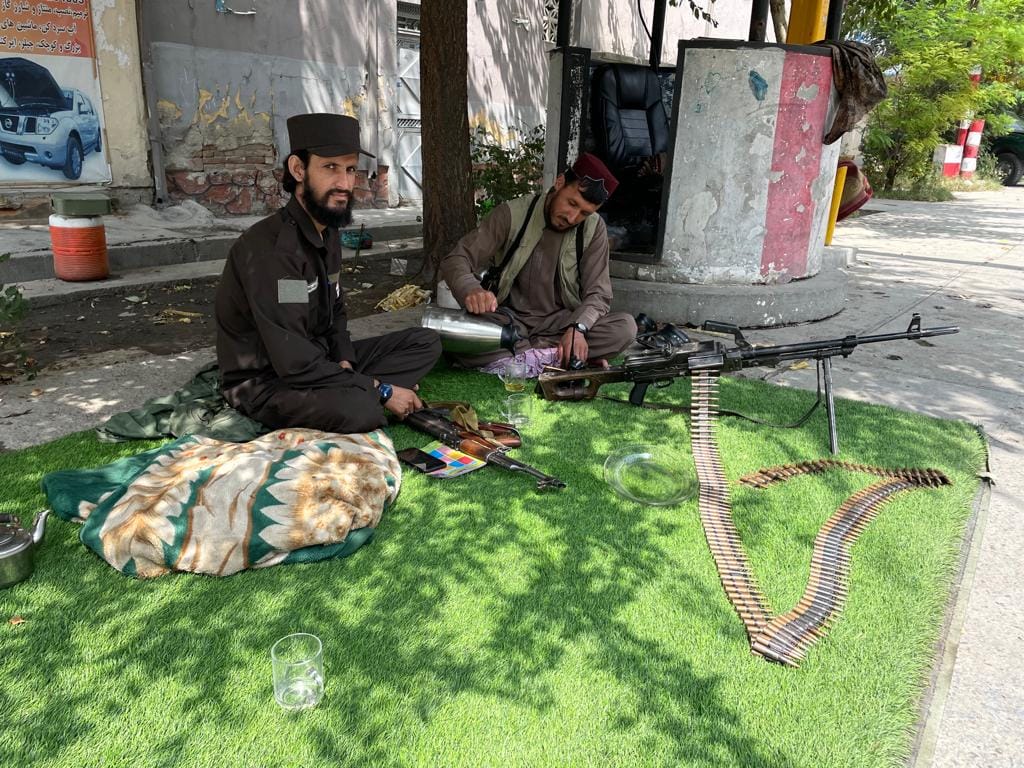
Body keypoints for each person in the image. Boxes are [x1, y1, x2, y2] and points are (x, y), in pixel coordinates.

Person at [215, 113, 441, 434]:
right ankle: (360, 392)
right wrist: (381, 390)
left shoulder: (328, 231)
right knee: (361, 410)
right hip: (270, 380)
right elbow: (292, 359)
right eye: (330, 168)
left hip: (320, 361)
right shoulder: (274, 251)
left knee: (425, 342)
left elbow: (336, 311)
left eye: (350, 169)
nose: (344, 184)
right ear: (298, 170)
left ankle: (352, 386)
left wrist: (345, 359)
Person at [440, 152, 637, 370]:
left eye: (584, 212)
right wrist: (470, 289)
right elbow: (457, 258)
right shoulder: (512, 214)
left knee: (625, 328)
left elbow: (598, 294)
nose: (572, 218)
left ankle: (526, 357)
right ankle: (560, 358)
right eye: (571, 203)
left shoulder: (593, 228)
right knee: (450, 335)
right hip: (507, 321)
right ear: (559, 182)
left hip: (561, 325)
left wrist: (578, 328)